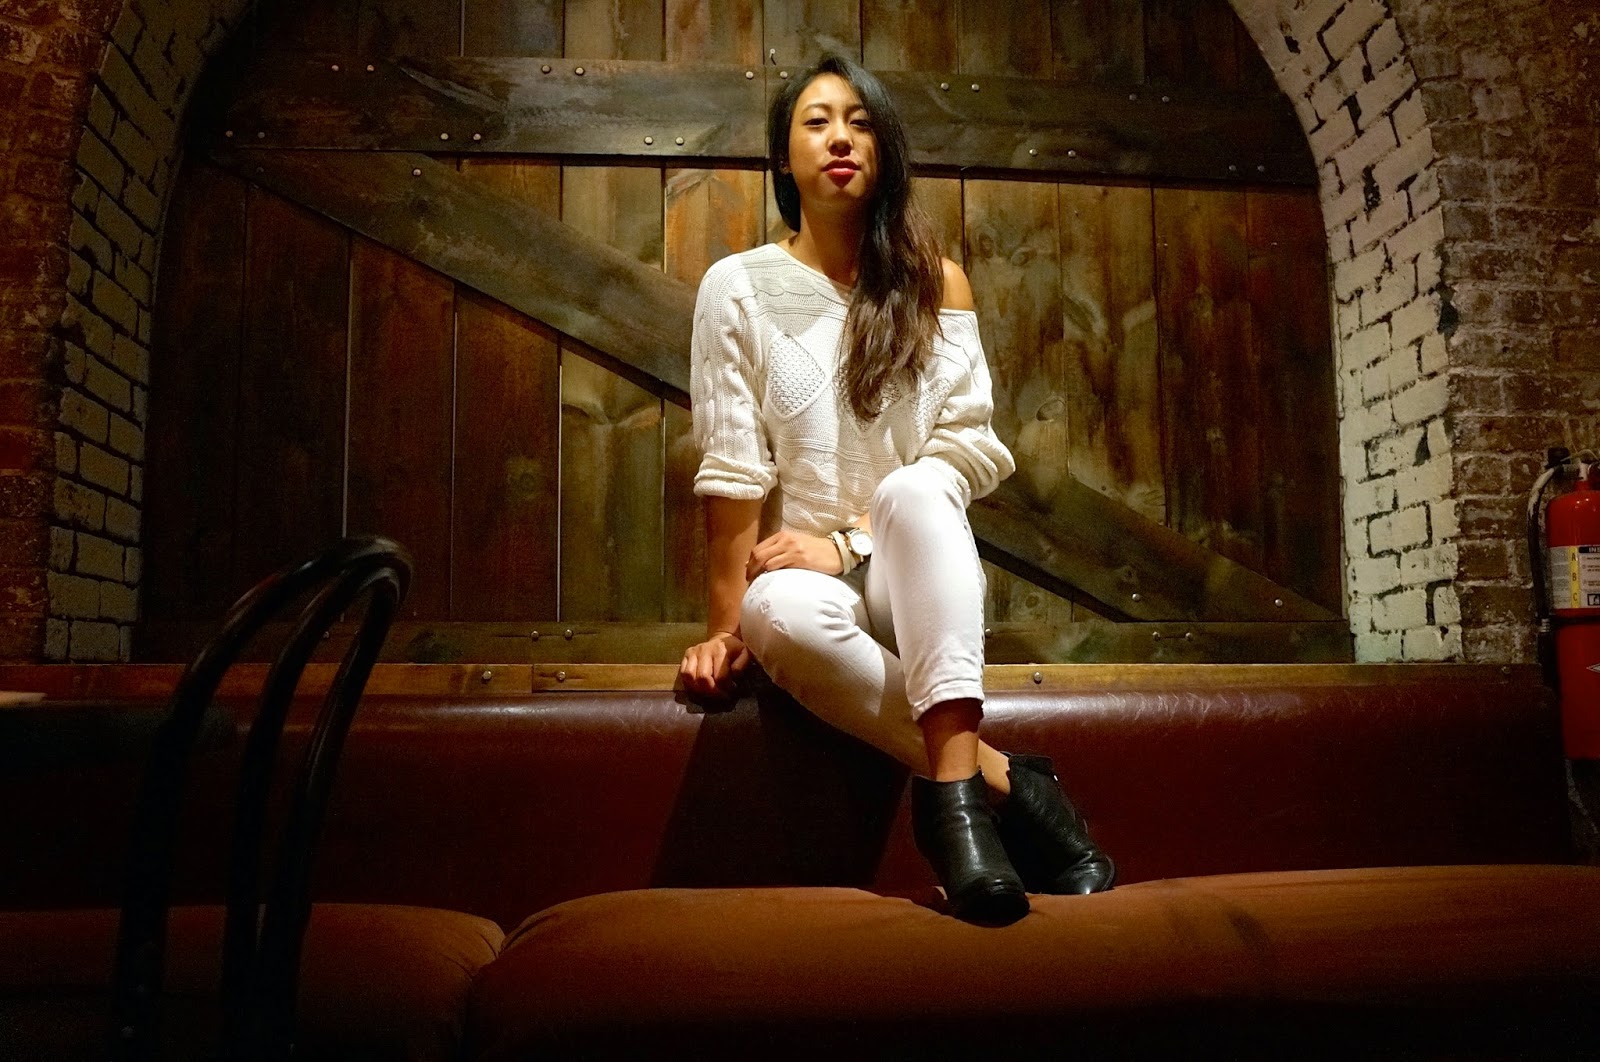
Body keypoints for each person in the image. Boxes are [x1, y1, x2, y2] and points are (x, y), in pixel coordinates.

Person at [678, 54, 1114, 924]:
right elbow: (733, 470)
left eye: (861, 122)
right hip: (807, 590)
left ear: (885, 151)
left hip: (915, 572)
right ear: (784, 156)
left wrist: (846, 542)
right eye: (816, 122)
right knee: (774, 614)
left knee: (916, 488)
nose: (840, 138)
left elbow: (967, 450)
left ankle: (952, 816)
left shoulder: (935, 284)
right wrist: (724, 632)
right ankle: (1002, 784)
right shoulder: (740, 287)